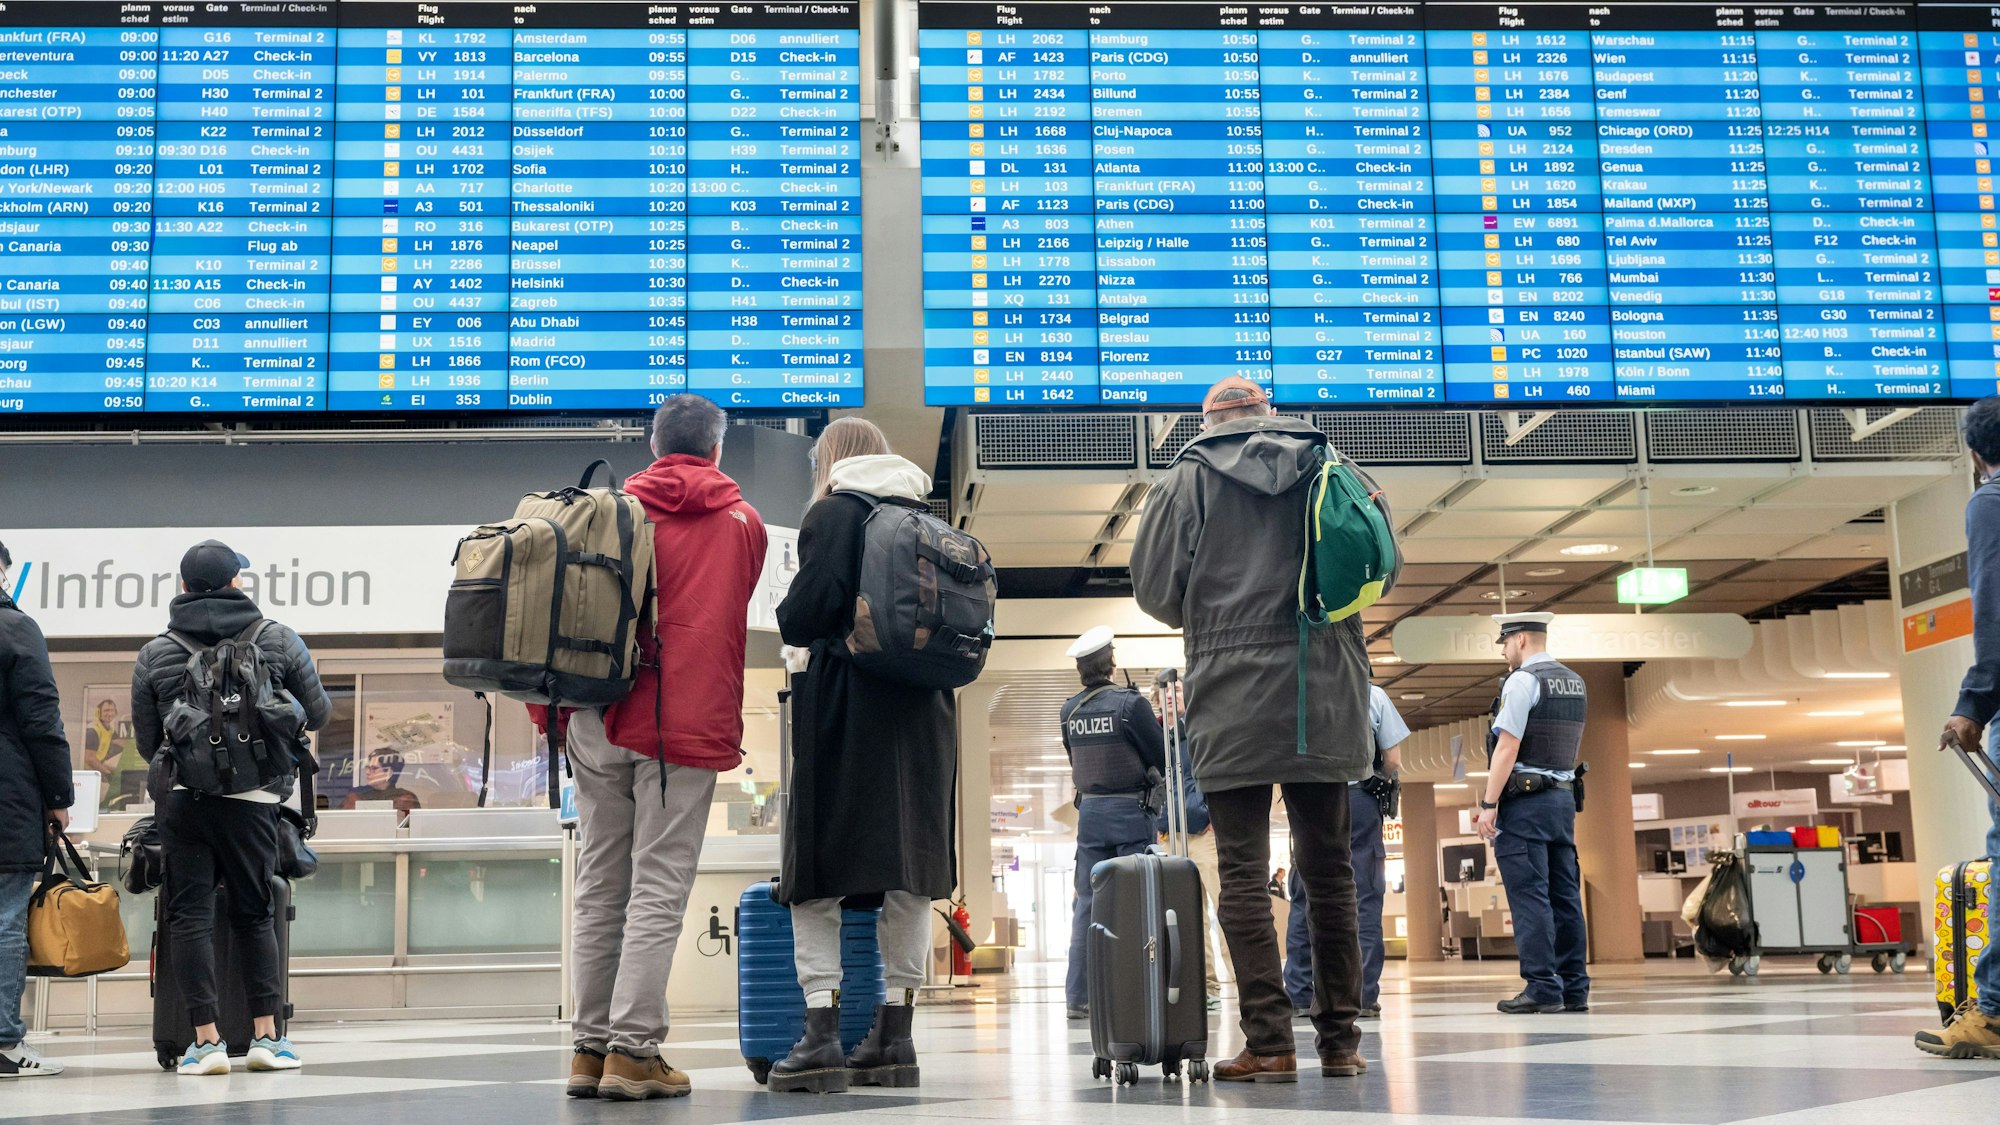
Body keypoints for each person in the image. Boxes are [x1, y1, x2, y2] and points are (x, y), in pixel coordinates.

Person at [1131, 376, 1383, 1083]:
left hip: (1231, 692)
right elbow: (1377, 566)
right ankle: (1341, 1043)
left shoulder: (1187, 480)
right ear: (1267, 414)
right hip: (1324, 688)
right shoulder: (1332, 461)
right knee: (1329, 873)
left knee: (1242, 873)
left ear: (1207, 421)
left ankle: (1269, 1041)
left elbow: (1155, 591)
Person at [545, 395, 769, 1100]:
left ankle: (589, 1048)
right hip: (681, 729)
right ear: (718, 449)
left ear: (651, 444)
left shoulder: (607, 511)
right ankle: (634, 1052)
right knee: (659, 885)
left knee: (600, 882)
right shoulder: (745, 524)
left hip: (597, 717)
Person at [770, 417, 957, 1094]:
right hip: (927, 716)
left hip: (847, 714)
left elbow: (805, 614)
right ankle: (895, 1038)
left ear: (830, 461)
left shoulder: (836, 512)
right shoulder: (924, 516)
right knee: (908, 876)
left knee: (814, 876)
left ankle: (820, 1034)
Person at [132, 539, 333, 1075]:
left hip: (184, 802)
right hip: (254, 800)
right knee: (254, 913)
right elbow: (317, 712)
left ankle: (204, 1042)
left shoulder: (156, 652)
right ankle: (268, 1038)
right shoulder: (277, 638)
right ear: (235, 583)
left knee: (190, 917)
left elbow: (147, 742)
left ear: (182, 587)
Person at [1922, 395, 2000, 1058]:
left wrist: (1974, 701)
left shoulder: (1990, 500)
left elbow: (1996, 604)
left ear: (1976, 456)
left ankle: (1994, 1012)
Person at [1473, 612, 1589, 1015]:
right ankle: (1574, 987)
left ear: (1520, 639)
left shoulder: (1523, 681)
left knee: (1530, 898)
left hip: (1525, 805)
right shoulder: (1575, 682)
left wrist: (1489, 804)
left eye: (1504, 643)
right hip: (1561, 802)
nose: (1504, 651)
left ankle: (1542, 985)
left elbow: (1507, 746)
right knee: (1566, 897)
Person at [1057, 626, 1166, 1021]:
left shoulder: (1069, 711)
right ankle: (1134, 991)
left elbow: (1075, 759)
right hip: (1130, 815)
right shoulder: (1129, 705)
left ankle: (1079, 996)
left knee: (1087, 905)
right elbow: (1159, 755)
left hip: (1090, 817)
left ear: (1081, 670)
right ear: (1112, 663)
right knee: (1137, 903)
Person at [1285, 685, 1410, 1018]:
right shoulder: (1372, 694)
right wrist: (1375, 778)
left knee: (1304, 896)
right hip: (1359, 799)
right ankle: (1362, 995)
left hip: (1310, 797)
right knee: (1364, 897)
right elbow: (1393, 759)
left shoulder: (1299, 690)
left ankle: (1298, 994)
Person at [0, 538, 74, 1079]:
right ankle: (3, 1043)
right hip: (6, 800)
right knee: (5, 920)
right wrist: (58, 798)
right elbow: (41, 721)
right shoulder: (15, 629)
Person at [1153, 670, 1229, 1008]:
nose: (1171, 696)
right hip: (1169, 836)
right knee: (1187, 917)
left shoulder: (1202, 729)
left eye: (1177, 691)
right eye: (1165, 693)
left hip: (1203, 833)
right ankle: (1208, 987)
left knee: (1226, 909)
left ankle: (1251, 987)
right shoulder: (1153, 737)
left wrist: (1215, 817)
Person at [341, 749, 421, 816]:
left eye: (374, 768)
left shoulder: (405, 798)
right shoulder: (355, 795)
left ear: (389, 773)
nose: (368, 772)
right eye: (368, 768)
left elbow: (413, 828)